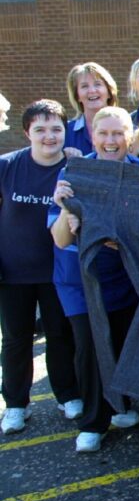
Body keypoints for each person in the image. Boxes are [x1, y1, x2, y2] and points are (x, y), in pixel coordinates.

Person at [49, 107, 139, 450]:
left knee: (122, 343)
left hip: (129, 279)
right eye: (103, 133)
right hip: (86, 281)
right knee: (90, 349)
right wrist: (63, 210)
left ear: (129, 136)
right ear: (92, 135)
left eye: (118, 133)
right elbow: (60, 239)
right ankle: (93, 422)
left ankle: (121, 405)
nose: (110, 140)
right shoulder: (75, 172)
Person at [0, 100, 80, 436]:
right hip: (13, 273)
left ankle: (68, 394)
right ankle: (16, 404)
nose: (49, 136)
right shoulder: (7, 166)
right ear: (27, 133)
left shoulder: (75, 166)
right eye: (40, 130)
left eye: (56, 129)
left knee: (60, 336)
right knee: (16, 340)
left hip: (56, 272)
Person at [65, 62, 120, 156]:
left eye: (97, 84)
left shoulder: (127, 127)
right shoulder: (66, 132)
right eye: (84, 86)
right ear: (77, 96)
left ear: (109, 92)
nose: (92, 90)